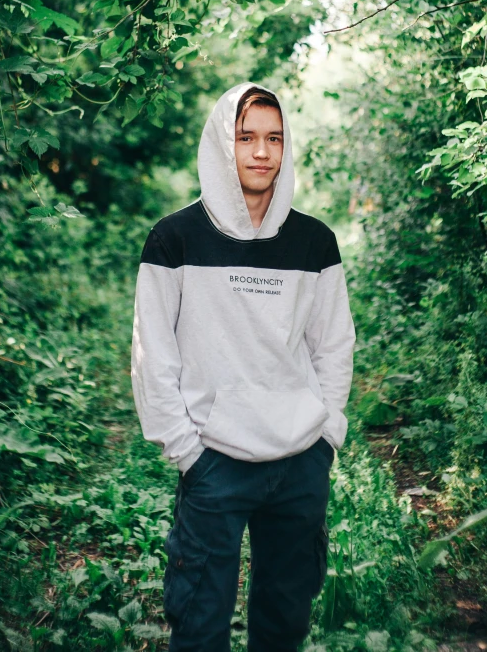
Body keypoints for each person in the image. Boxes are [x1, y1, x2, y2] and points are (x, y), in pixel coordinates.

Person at [131, 82, 356, 652]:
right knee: (199, 626)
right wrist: (187, 452)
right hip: (215, 466)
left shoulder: (314, 242)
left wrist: (326, 437)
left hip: (299, 466)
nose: (262, 152)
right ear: (220, 144)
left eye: (274, 138)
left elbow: (333, 346)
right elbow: (152, 357)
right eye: (246, 137)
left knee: (283, 626)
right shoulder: (174, 238)